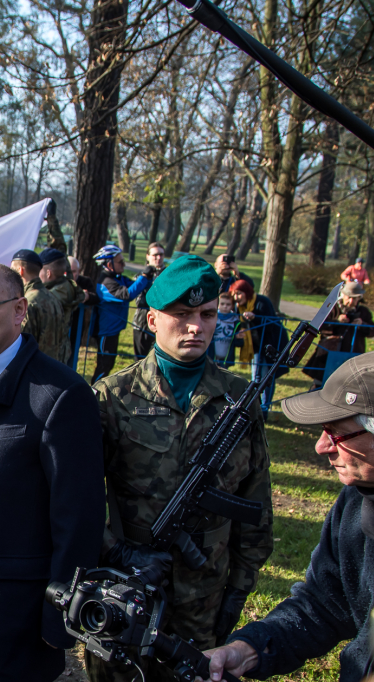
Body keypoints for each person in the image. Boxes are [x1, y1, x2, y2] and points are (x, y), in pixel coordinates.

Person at [91, 255, 273, 682]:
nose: (196, 327)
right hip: (127, 590)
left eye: (207, 315)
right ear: (152, 321)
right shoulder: (113, 397)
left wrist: (238, 590)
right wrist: (114, 552)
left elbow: (254, 500)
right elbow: (76, 499)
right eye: (181, 315)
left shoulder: (238, 399)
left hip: (204, 597)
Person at [0, 262, 105, 681]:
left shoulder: (61, 395)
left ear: (19, 311)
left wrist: (60, 617)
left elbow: (78, 519)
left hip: (17, 612)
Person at [203, 349, 374, 682]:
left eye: (337, 433)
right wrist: (248, 649)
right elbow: (324, 604)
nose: (321, 447)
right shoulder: (356, 501)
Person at [90, 245, 151, 382]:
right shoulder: (105, 283)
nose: (124, 264)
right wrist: (144, 276)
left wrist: (147, 279)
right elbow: (127, 294)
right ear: (109, 264)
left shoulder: (118, 278)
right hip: (105, 332)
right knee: (104, 366)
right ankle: (93, 393)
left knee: (109, 364)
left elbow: (135, 285)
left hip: (114, 330)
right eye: (120, 262)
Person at [303, 281, 374, 388]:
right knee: (320, 385)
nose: (351, 301)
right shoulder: (332, 308)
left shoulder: (363, 312)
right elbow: (318, 326)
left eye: (355, 298)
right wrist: (336, 322)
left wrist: (362, 324)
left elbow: (373, 331)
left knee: (348, 386)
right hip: (329, 353)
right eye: (349, 297)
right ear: (343, 295)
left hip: (353, 353)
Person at [229, 279, 288, 416]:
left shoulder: (262, 301)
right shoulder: (239, 307)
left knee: (268, 378)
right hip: (255, 346)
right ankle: (256, 408)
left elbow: (271, 322)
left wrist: (255, 317)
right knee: (256, 378)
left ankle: (264, 409)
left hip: (272, 345)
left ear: (246, 292)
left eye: (239, 294)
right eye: (234, 295)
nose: (236, 298)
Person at [11, 249, 65, 362]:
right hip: (54, 365)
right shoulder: (52, 297)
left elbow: (19, 342)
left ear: (20, 271)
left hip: (33, 368)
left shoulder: (27, 302)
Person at [39, 247, 84, 365]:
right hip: (59, 351)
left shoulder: (51, 295)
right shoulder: (66, 285)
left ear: (48, 273)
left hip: (49, 354)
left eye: (39, 271)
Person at [132, 242, 165, 358]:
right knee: (140, 360)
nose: (158, 258)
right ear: (148, 256)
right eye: (155, 255)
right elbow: (138, 300)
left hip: (163, 324)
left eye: (161, 254)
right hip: (141, 323)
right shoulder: (140, 276)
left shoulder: (168, 276)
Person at [210, 292, 242, 368]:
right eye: (222, 304)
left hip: (225, 359)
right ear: (218, 304)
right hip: (210, 356)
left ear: (232, 306)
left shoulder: (236, 321)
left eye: (228, 304)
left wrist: (238, 338)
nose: (225, 306)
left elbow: (239, 343)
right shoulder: (212, 318)